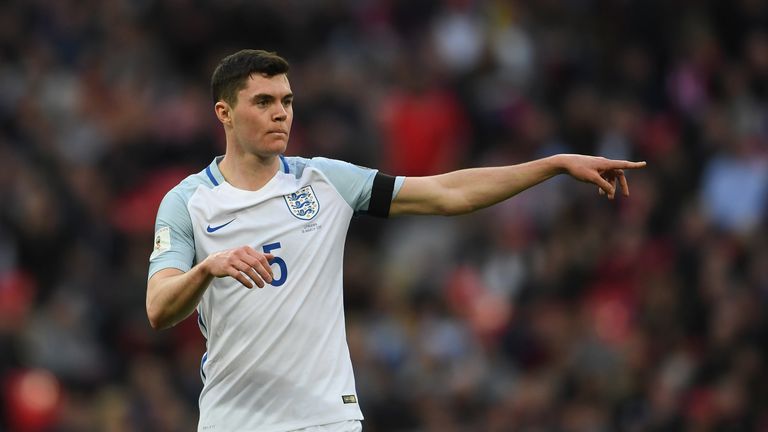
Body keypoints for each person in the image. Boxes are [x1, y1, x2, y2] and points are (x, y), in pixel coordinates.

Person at [146, 49, 646, 432]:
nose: (281, 114)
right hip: (233, 419)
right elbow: (159, 308)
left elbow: (447, 193)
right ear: (224, 113)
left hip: (325, 417)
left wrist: (552, 165)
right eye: (263, 102)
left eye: (287, 101)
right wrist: (207, 268)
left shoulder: (324, 182)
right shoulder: (188, 201)